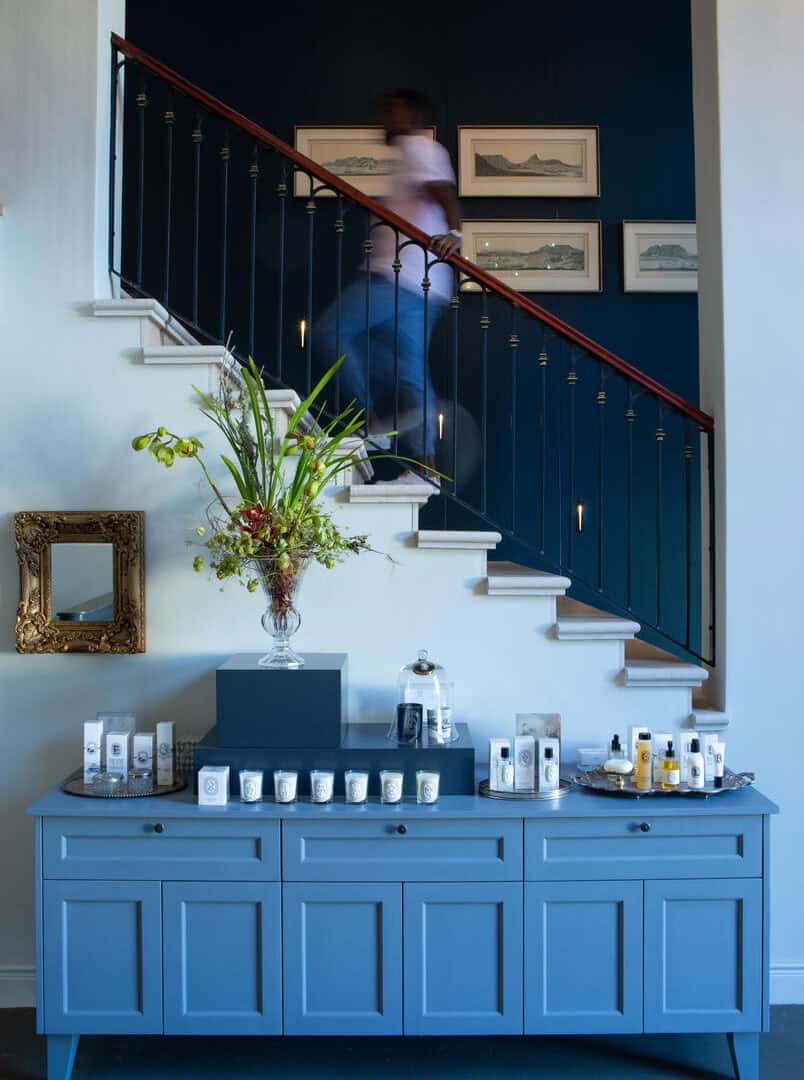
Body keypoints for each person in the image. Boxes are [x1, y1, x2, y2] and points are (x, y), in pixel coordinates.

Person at [315, 88, 462, 482]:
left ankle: (370, 421)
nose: (383, 119)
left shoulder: (419, 149)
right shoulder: (410, 158)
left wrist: (455, 234)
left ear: (412, 116)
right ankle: (425, 465)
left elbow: (444, 194)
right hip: (425, 284)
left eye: (391, 112)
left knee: (331, 332)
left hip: (400, 277)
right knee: (408, 371)